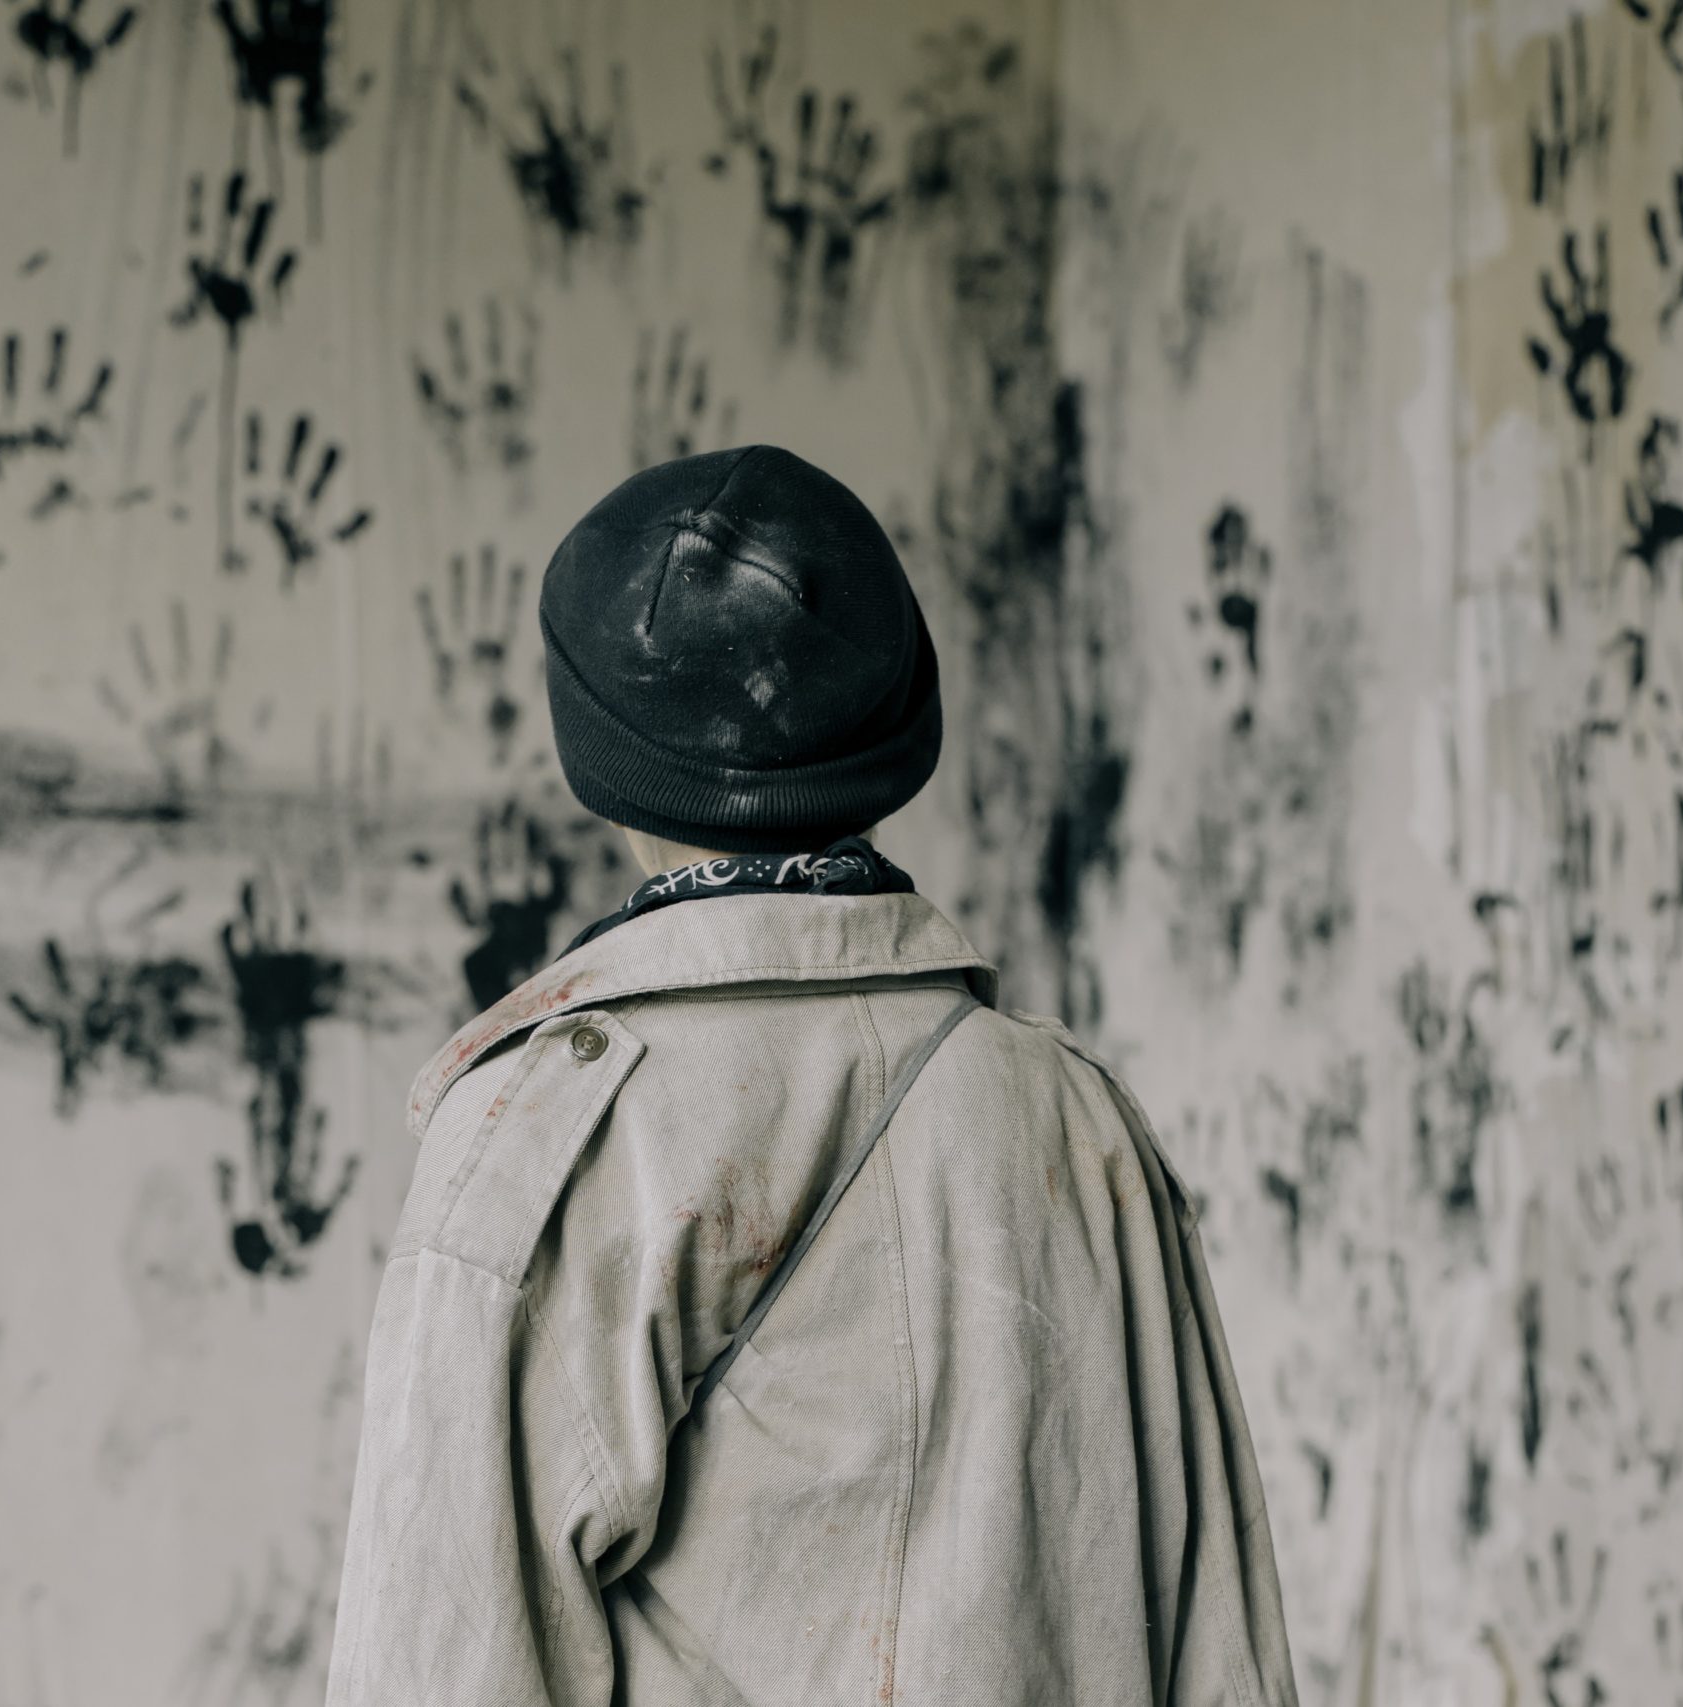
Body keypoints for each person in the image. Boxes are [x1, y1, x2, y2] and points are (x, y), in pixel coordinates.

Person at [324, 445, 1300, 1706]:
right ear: (901, 721)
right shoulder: (1081, 1124)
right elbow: (1226, 1662)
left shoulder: (551, 1137)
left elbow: (434, 1669)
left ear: (597, 748)